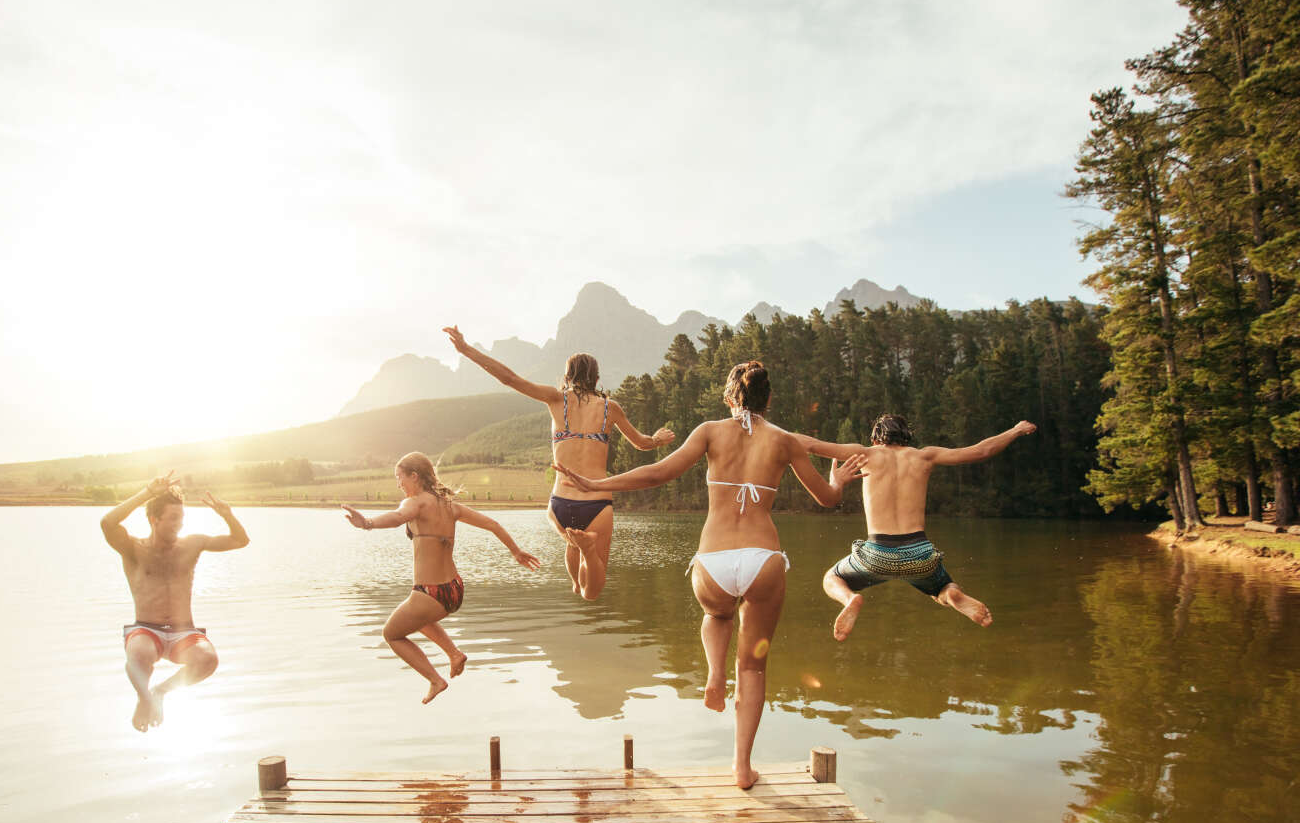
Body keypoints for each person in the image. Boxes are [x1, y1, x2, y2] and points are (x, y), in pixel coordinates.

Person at [554, 361, 864, 789]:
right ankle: (742, 767)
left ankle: (715, 673)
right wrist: (839, 476)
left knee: (717, 615)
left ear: (728, 396)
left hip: (714, 560)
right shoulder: (786, 441)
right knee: (753, 669)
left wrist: (596, 484)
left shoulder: (710, 431)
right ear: (768, 399)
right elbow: (827, 499)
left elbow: (658, 473)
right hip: (763, 558)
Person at [444, 325, 675, 600]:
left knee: (573, 549)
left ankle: (576, 575)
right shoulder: (610, 408)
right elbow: (642, 443)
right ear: (597, 378)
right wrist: (659, 439)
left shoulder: (556, 399)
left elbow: (509, 378)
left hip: (560, 503)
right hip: (597, 503)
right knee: (593, 591)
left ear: (567, 376)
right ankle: (587, 554)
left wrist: (466, 350)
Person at [795, 414, 1037, 641]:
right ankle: (952, 595)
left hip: (877, 554)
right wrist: (1015, 430)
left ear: (875, 438)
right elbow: (981, 450)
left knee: (832, 577)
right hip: (919, 555)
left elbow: (811, 444)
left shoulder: (864, 454)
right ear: (907, 437)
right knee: (942, 587)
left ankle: (849, 600)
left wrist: (764, 431)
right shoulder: (925, 456)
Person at [343, 452, 540, 704]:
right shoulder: (450, 506)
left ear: (414, 476)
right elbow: (492, 524)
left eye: (399, 477)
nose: (398, 484)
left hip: (430, 593)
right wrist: (515, 551)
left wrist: (367, 523)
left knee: (391, 634)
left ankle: (436, 680)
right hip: (454, 590)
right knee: (415, 617)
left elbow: (398, 518)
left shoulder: (415, 502)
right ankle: (454, 654)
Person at [100, 472, 250, 732]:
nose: (179, 524)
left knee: (208, 660)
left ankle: (159, 692)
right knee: (139, 653)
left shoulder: (192, 544)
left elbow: (240, 541)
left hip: (184, 632)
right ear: (153, 519)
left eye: (181, 518)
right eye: (173, 519)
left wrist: (227, 515)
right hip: (146, 630)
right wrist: (147, 492)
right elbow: (107, 523)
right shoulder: (133, 548)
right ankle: (144, 698)